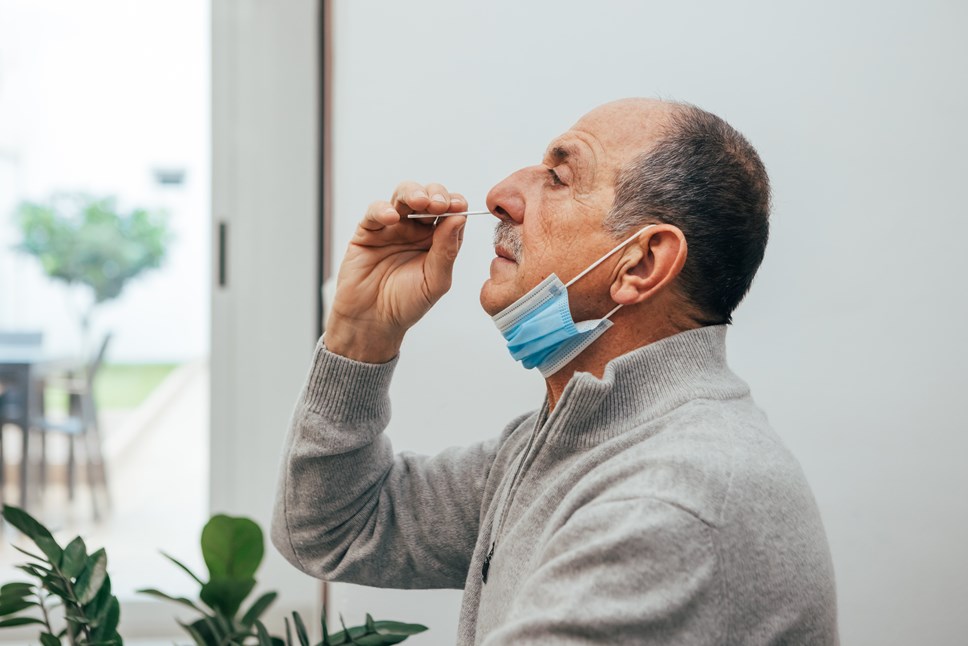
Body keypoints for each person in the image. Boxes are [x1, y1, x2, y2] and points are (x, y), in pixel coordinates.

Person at [271, 98, 839, 644]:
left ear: (641, 263)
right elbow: (334, 529)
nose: (500, 196)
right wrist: (362, 333)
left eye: (559, 178)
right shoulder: (571, 442)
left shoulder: (672, 499)